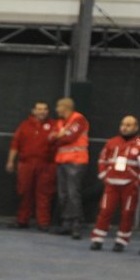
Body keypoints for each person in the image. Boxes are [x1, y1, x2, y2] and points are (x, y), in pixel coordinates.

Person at [90, 115, 140, 251]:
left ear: (136, 127)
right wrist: (103, 175)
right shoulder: (112, 142)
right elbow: (102, 160)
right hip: (111, 184)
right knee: (105, 211)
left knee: (127, 213)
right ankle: (97, 239)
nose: (124, 127)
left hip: (129, 185)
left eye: (129, 125)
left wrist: (139, 181)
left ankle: (121, 241)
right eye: (123, 124)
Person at [7, 101, 56, 230]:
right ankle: (22, 220)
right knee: (24, 192)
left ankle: (43, 222)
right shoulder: (24, 125)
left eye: (45, 109)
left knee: (44, 194)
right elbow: (15, 144)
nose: (42, 111)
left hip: (46, 165)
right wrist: (10, 161)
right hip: (26, 164)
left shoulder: (54, 126)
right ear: (33, 111)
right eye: (39, 109)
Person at [50, 97, 90, 238]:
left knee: (73, 193)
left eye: (58, 106)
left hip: (76, 161)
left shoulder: (79, 119)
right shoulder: (60, 122)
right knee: (63, 193)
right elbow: (51, 139)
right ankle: (66, 223)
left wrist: (58, 137)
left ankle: (76, 224)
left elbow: (69, 138)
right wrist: (58, 136)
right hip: (62, 160)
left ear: (65, 107)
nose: (56, 109)